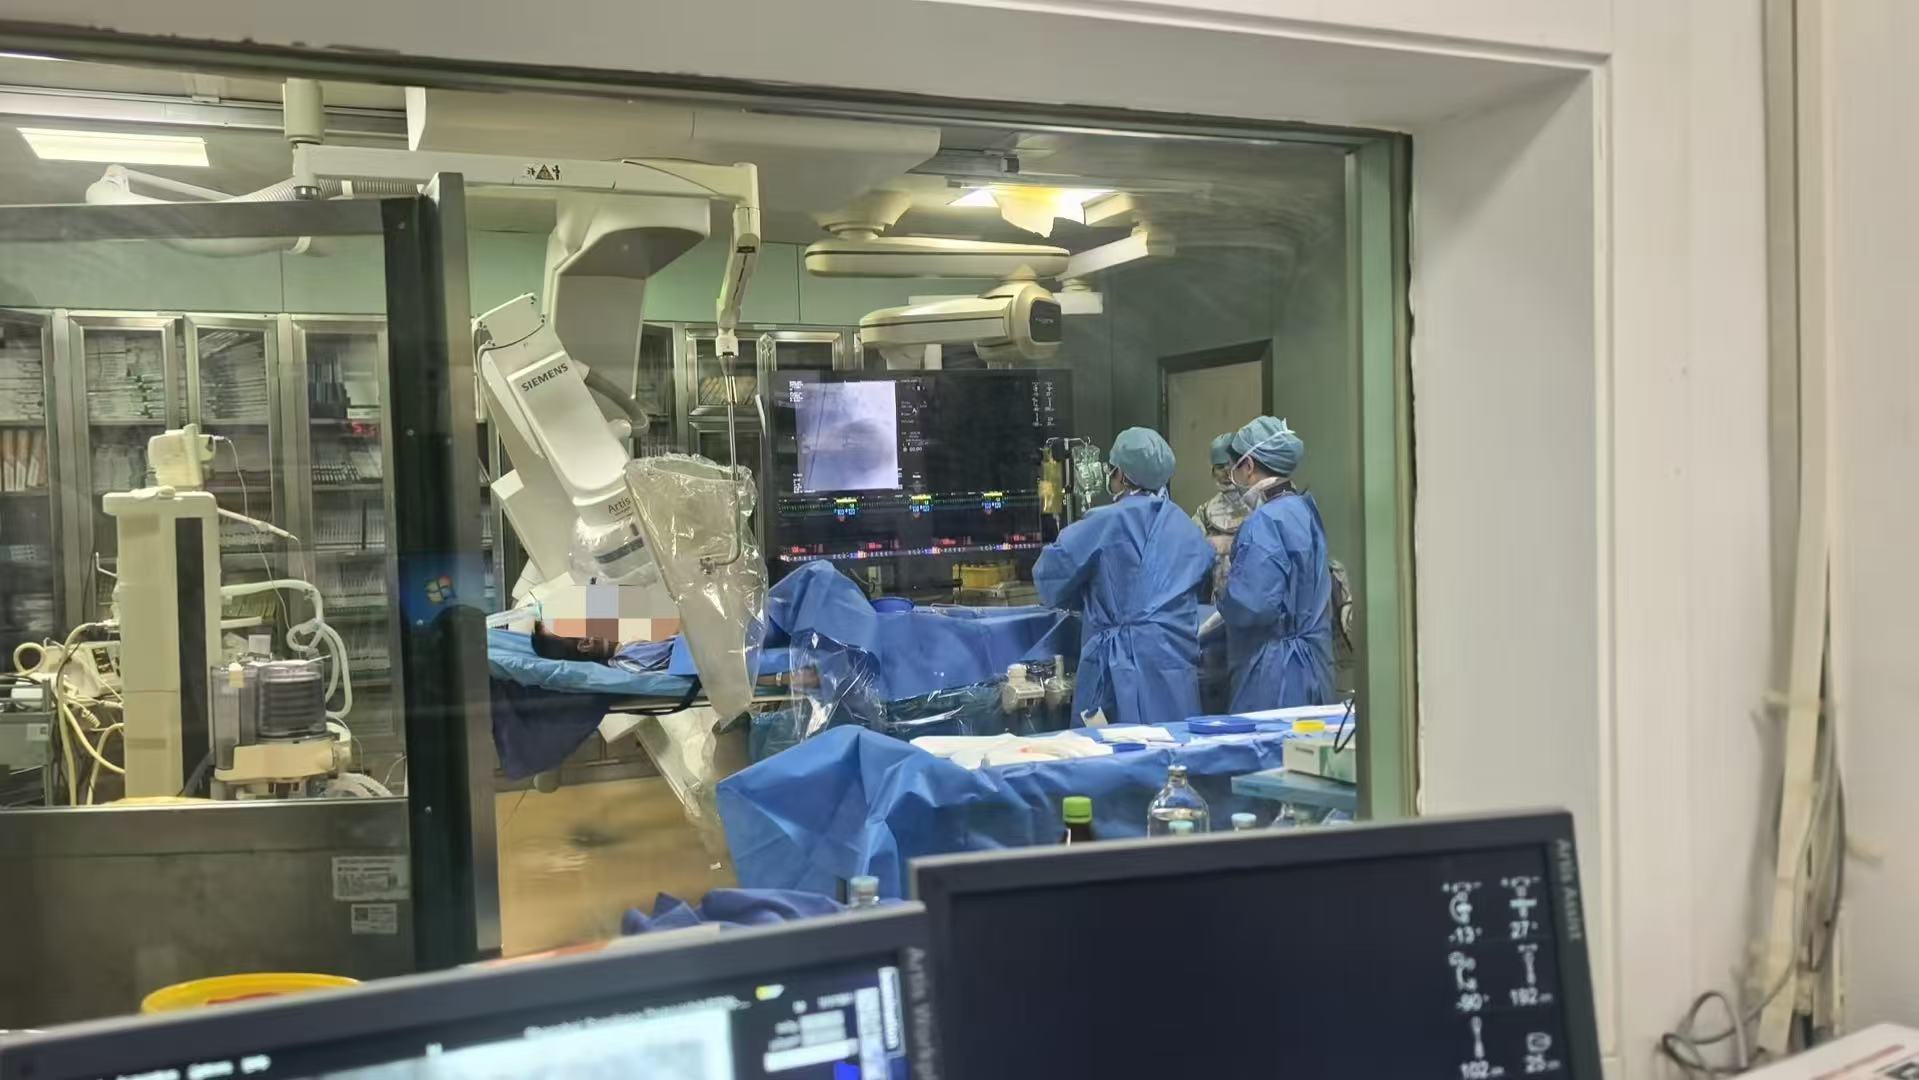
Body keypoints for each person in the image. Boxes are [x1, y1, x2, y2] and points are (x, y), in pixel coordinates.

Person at [1034, 427, 1213, 727]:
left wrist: (1089, 599)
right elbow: (1198, 581)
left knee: (1117, 748)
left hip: (1120, 666)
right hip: (1173, 662)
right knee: (1174, 743)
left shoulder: (1106, 521)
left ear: (1120, 474)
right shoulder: (1186, 527)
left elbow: (1051, 577)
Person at [1213, 416, 1335, 711]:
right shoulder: (1305, 509)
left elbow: (1252, 604)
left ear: (1248, 466)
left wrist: (1223, 595)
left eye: (1235, 467)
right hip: (1316, 664)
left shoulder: (1264, 521)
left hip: (1275, 673)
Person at [1191, 431, 1252, 598]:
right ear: (1212, 472)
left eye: (1231, 465)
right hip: (1219, 598)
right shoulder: (1204, 513)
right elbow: (1189, 552)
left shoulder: (1263, 507)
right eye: (1220, 467)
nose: (1226, 472)